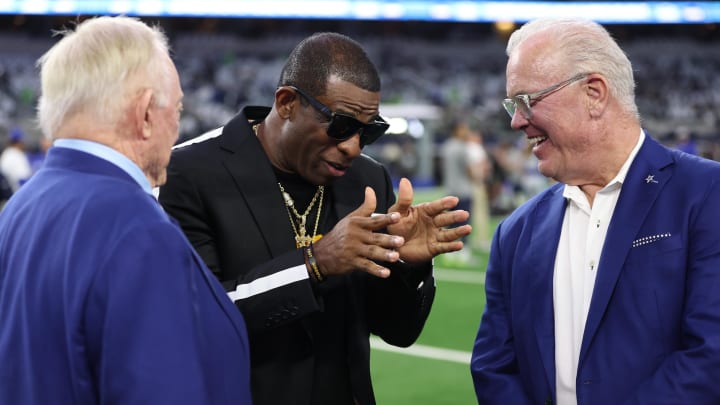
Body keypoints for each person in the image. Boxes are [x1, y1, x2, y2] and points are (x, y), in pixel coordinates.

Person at [159, 32, 471, 405]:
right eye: (340, 126)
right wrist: (315, 263)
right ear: (287, 102)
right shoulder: (188, 173)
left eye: (368, 132)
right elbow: (198, 319)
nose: (352, 147)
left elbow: (398, 331)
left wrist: (405, 265)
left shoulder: (367, 181)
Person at [0, 16, 252, 404]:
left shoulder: (20, 209)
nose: (177, 128)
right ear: (147, 113)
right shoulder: (137, 230)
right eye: (178, 109)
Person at [471, 18, 720, 404]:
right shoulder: (515, 233)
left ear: (594, 93)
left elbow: (710, 354)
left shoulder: (707, 193)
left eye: (525, 101)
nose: (516, 121)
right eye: (511, 104)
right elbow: (494, 368)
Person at [0, 127, 32, 192]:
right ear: (19, 142)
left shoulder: (6, 154)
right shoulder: (16, 156)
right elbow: (22, 180)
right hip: (17, 193)